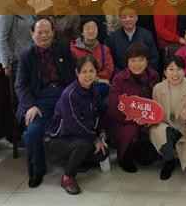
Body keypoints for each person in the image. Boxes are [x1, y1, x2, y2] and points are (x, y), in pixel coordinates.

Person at [15, 17, 75, 188]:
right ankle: (37, 170)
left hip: (63, 96)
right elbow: (20, 85)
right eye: (39, 32)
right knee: (32, 132)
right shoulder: (26, 56)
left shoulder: (63, 49)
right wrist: (30, 106)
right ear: (32, 34)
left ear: (53, 33)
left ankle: (80, 161)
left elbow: (73, 75)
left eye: (47, 32)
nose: (44, 36)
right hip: (38, 101)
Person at [46, 56, 108, 195]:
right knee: (84, 145)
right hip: (59, 138)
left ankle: (77, 161)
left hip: (81, 135)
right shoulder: (70, 94)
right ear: (77, 73)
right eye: (84, 71)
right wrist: (95, 139)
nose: (88, 75)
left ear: (96, 73)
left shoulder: (94, 90)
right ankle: (67, 177)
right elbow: (74, 125)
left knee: (103, 153)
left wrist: (101, 134)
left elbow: (99, 114)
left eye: (91, 71)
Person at [107, 43, 159, 173]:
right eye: (133, 60)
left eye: (141, 60)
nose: (137, 64)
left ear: (147, 61)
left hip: (147, 121)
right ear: (127, 62)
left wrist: (150, 119)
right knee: (130, 131)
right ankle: (124, 157)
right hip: (125, 121)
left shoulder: (154, 76)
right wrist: (133, 119)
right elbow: (113, 108)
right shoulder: (119, 79)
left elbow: (157, 102)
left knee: (147, 160)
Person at [150, 56, 186, 180]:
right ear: (165, 72)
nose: (175, 73)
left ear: (185, 71)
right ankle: (169, 161)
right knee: (161, 131)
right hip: (165, 126)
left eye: (179, 69)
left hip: (185, 128)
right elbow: (155, 114)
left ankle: (175, 153)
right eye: (171, 69)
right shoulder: (158, 88)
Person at [0, 0, 36, 77]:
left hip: (29, 58)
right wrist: (6, 64)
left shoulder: (31, 9)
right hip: (14, 62)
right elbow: (1, 39)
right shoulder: (7, 10)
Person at [106, 5, 160, 72]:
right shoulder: (113, 38)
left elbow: (154, 58)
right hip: (121, 75)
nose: (128, 19)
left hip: (144, 74)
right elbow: (111, 62)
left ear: (136, 18)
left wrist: (145, 73)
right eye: (124, 17)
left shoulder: (146, 35)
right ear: (120, 19)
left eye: (131, 16)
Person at [70, 18, 114, 93]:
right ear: (82, 32)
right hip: (79, 85)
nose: (91, 31)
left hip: (99, 85)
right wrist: (89, 78)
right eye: (87, 28)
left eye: (94, 28)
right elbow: (71, 70)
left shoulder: (104, 49)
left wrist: (96, 79)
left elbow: (109, 70)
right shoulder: (73, 48)